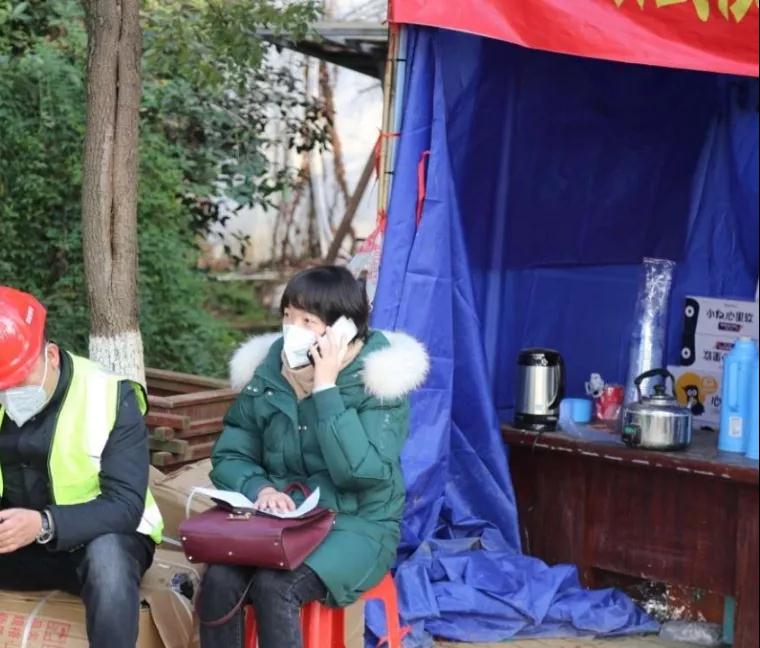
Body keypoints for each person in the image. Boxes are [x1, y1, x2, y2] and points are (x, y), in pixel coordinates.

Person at [199, 265, 429, 648]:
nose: (293, 329)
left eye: (308, 321)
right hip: (279, 522)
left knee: (275, 585)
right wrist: (260, 489)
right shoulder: (269, 373)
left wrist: (326, 389)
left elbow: (361, 473)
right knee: (219, 579)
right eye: (288, 316)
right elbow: (232, 453)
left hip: (356, 524)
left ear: (344, 330)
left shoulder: (378, 384)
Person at [0, 286, 164, 648]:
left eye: (18, 381)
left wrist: (44, 524)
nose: (10, 394)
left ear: (51, 356)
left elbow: (125, 505)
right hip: (17, 546)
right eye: (2, 387)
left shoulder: (110, 396)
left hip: (99, 540)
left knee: (108, 561)